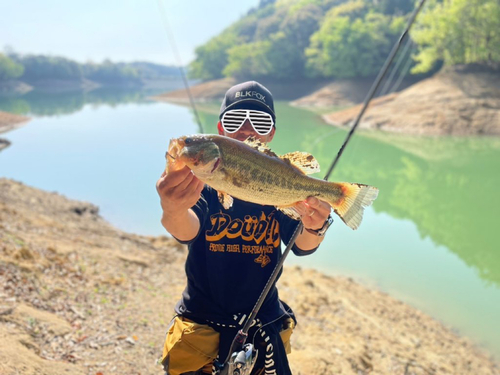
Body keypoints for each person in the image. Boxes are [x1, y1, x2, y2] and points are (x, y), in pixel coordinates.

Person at [156, 81, 333, 375]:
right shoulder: (204, 180)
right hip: (202, 322)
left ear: (271, 132)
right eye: (236, 120)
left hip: (263, 322)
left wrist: (315, 227)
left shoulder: (280, 177)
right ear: (220, 128)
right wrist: (172, 207)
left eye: (260, 122)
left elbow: (302, 246)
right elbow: (186, 230)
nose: (248, 129)